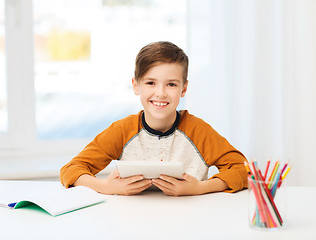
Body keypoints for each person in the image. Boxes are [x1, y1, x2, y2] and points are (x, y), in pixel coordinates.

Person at [60, 41, 248, 196]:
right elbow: (71, 169)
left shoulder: (198, 131)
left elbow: (243, 170)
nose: (161, 93)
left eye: (171, 84)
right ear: (136, 86)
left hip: (189, 221)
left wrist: (199, 188)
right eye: (150, 83)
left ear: (183, 89)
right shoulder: (122, 131)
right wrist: (105, 187)